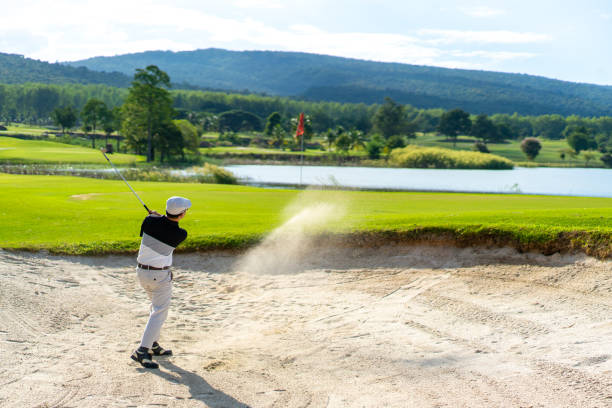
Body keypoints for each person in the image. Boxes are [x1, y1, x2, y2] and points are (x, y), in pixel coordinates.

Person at [130, 196, 191, 369]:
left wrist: (156, 217)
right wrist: (159, 218)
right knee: (159, 311)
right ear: (181, 214)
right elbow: (167, 228)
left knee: (155, 307)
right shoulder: (180, 234)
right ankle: (142, 350)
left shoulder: (149, 221)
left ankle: (153, 344)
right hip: (159, 276)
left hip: (141, 273)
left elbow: (154, 226)